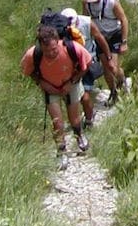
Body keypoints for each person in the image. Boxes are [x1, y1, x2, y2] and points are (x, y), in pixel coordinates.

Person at [21, 25, 93, 158]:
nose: (50, 54)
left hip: (71, 84)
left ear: (58, 41)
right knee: (57, 122)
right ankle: (61, 151)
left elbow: (87, 63)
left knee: (74, 118)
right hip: (50, 87)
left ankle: (79, 136)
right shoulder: (33, 54)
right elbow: (27, 71)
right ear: (40, 46)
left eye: (54, 49)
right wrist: (42, 83)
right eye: (46, 51)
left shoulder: (72, 48)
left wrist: (72, 81)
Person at [61, 7, 116, 125]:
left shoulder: (87, 23)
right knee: (78, 96)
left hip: (87, 62)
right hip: (70, 65)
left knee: (85, 94)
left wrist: (109, 57)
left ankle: (88, 118)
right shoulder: (60, 27)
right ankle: (85, 117)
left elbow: (100, 39)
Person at [82, 0, 130, 106]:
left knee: (113, 67)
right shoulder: (86, 2)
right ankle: (113, 93)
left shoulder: (112, 1)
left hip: (115, 34)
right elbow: (86, 20)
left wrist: (124, 42)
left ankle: (121, 80)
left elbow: (124, 20)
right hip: (100, 37)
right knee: (105, 67)